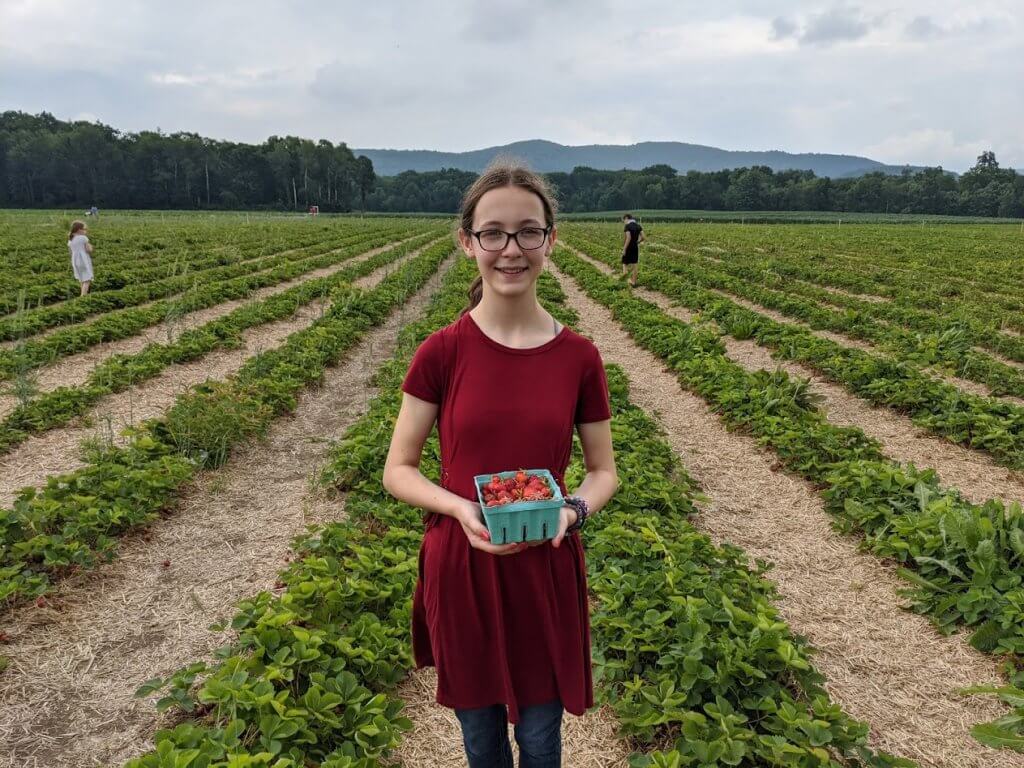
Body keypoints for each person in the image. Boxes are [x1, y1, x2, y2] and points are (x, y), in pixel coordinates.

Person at [383, 162, 619, 767]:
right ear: (468, 243)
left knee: (541, 737)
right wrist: (460, 507)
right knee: (480, 739)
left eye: (527, 232)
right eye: (493, 233)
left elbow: (602, 471)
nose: (510, 249)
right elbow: (399, 469)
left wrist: (572, 512)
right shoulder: (441, 351)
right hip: (463, 561)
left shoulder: (580, 357)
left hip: (544, 562)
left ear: (550, 241)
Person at [68, 220, 94, 296]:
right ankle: (83, 296)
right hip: (83, 260)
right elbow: (89, 250)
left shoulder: (71, 239)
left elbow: (70, 252)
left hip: (75, 260)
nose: (85, 231)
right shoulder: (83, 238)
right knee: (87, 279)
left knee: (82, 278)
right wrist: (91, 247)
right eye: (84, 229)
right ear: (79, 230)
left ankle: (82, 294)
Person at [621, 213, 644, 287]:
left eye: (624, 220)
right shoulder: (638, 226)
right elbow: (643, 237)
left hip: (628, 246)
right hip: (635, 247)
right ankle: (633, 282)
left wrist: (624, 248)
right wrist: (638, 242)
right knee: (635, 264)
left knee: (624, 262)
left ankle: (624, 275)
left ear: (627, 218)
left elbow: (628, 238)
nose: (624, 222)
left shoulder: (627, 226)